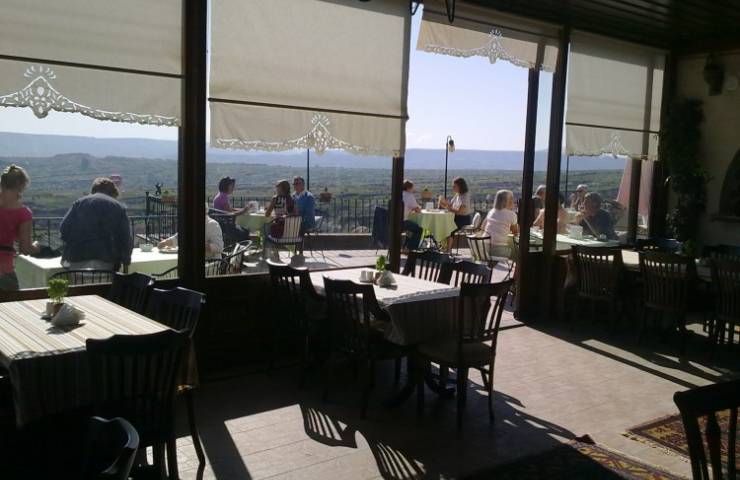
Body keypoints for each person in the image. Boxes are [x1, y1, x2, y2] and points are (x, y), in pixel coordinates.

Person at [60, 178, 133, 271]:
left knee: (77, 280)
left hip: (75, 258)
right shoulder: (118, 207)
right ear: (113, 192)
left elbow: (64, 229)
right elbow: (125, 238)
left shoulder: (79, 203)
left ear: (93, 190)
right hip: (106, 260)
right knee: (103, 281)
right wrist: (126, 260)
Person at [0, 165, 40, 290]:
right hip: (4, 270)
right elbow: (25, 249)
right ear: (21, 185)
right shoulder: (23, 213)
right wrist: (37, 247)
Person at [158, 204, 224, 260]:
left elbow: (219, 247)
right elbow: (178, 237)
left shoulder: (213, 224)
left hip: (211, 263)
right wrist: (164, 242)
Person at [482, 189, 519, 258]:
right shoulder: (511, 214)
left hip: (484, 247)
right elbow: (515, 233)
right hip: (499, 249)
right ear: (508, 201)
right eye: (512, 199)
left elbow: (482, 227)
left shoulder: (491, 211)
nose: (513, 202)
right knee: (517, 253)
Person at [211, 177, 249, 242]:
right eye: (232, 186)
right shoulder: (223, 197)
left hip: (223, 224)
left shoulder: (221, 195)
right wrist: (244, 211)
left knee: (245, 230)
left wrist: (243, 209)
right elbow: (230, 214)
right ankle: (239, 247)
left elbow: (230, 209)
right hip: (226, 227)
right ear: (226, 186)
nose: (233, 188)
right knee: (245, 232)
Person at [440, 177, 471, 251]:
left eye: (454, 186)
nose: (453, 188)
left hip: (463, 219)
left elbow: (460, 211)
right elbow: (450, 205)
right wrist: (443, 203)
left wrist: (449, 208)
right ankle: (443, 246)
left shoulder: (465, 196)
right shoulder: (457, 195)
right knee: (442, 224)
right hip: (455, 217)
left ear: (460, 186)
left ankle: (448, 250)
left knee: (449, 228)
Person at [401, 180, 423, 251]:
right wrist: (419, 207)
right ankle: (411, 249)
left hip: (393, 223)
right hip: (402, 223)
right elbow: (418, 210)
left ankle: (405, 247)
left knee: (410, 229)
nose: (413, 189)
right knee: (419, 229)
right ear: (408, 188)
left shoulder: (399, 194)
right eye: (412, 188)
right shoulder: (409, 196)